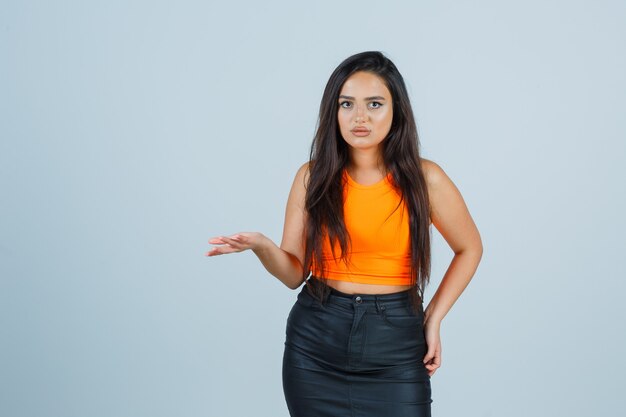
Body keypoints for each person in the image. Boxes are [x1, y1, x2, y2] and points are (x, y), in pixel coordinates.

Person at [206, 51, 483, 417]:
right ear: (333, 112)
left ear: (396, 110)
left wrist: (433, 317)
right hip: (316, 345)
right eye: (347, 104)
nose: (360, 117)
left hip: (396, 345)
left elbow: (470, 248)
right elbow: (293, 274)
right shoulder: (312, 177)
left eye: (374, 104)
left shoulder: (425, 179)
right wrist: (261, 246)